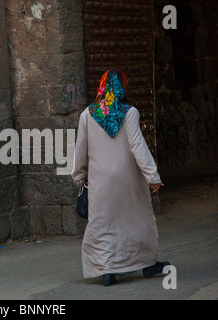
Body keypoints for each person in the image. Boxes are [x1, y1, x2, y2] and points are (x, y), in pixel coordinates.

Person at [71, 69, 170, 286]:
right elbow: (137, 146)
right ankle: (146, 263)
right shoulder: (129, 112)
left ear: (102, 86)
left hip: (100, 180)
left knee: (104, 224)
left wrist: (79, 177)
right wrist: (152, 175)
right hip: (128, 179)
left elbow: (81, 149)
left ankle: (108, 271)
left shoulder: (88, 114)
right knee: (136, 221)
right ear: (122, 87)